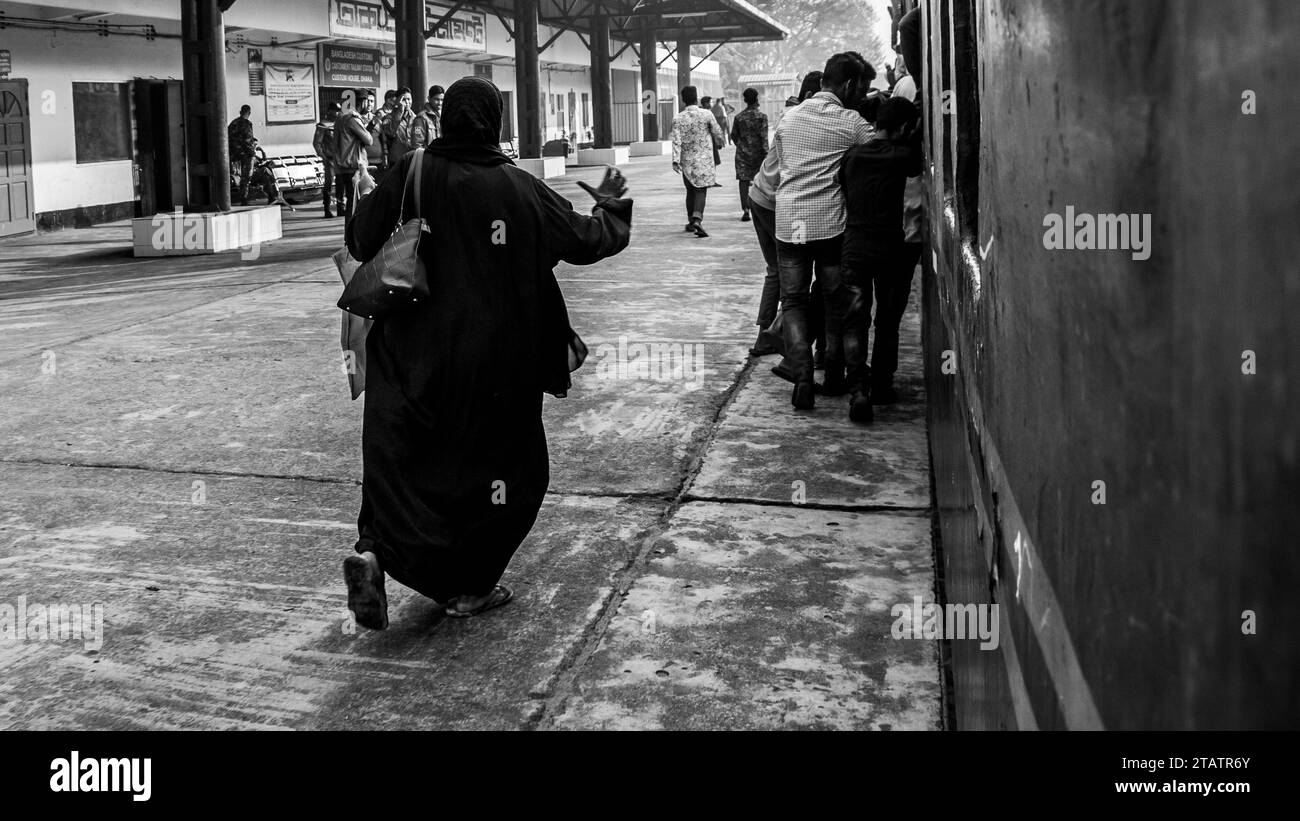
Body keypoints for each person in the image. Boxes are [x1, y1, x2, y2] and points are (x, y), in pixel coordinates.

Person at [341, 76, 633, 628]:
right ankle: (470, 588)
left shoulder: (415, 170)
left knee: (401, 465)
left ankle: (374, 553)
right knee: (508, 476)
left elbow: (360, 239)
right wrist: (613, 206)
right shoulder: (519, 188)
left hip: (409, 358)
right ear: (494, 122)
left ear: (445, 118)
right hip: (496, 367)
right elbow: (588, 240)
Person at [773, 52, 874, 409]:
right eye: (860, 87)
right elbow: (879, 150)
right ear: (847, 85)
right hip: (829, 225)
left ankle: (802, 378)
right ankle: (836, 375)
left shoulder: (788, 119)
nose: (861, 93)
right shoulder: (851, 122)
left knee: (795, 302)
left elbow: (782, 163)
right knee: (837, 303)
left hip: (789, 225)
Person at [838, 96, 923, 424]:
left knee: (854, 320)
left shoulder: (852, 157)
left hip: (856, 247)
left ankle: (858, 389)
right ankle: (883, 385)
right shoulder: (906, 158)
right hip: (894, 252)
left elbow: (845, 192)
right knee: (887, 321)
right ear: (904, 127)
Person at [670, 85, 725, 238]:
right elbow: (717, 132)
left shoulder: (678, 118)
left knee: (690, 191)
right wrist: (719, 142)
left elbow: (676, 141)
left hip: (687, 161)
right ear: (697, 98)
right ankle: (697, 219)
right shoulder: (706, 114)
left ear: (683, 100)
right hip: (704, 160)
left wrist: (675, 160)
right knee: (701, 190)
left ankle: (690, 221)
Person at [333, 88, 378, 222]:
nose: (369, 105)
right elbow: (369, 140)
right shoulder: (352, 119)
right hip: (353, 167)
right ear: (362, 102)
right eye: (367, 101)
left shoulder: (341, 117)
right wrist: (371, 125)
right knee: (355, 205)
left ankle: (350, 236)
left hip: (343, 166)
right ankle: (351, 237)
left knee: (352, 204)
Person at [730, 87, 768, 222]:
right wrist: (767, 155)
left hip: (742, 154)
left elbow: (733, 135)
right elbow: (764, 138)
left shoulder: (739, 117)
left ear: (745, 100)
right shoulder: (762, 117)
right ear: (757, 99)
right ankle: (759, 207)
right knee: (760, 181)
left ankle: (746, 209)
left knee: (743, 181)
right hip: (759, 154)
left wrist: (742, 145)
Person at [313, 102, 342, 219]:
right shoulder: (322, 125)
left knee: (341, 184)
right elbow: (317, 143)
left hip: (340, 158)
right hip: (329, 158)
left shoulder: (339, 123)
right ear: (329, 111)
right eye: (335, 110)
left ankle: (341, 207)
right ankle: (327, 209)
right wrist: (323, 156)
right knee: (328, 184)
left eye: (339, 110)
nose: (338, 113)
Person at [227, 104, 257, 206]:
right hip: (245, 155)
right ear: (249, 113)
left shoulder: (233, 123)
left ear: (240, 112)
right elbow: (248, 141)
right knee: (246, 177)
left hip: (233, 155)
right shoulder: (247, 124)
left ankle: (235, 197)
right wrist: (252, 153)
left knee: (237, 175)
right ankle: (244, 198)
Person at [382, 86, 418, 162]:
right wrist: (399, 111)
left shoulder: (416, 118)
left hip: (413, 159)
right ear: (398, 100)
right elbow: (390, 133)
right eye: (404, 99)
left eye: (409, 99)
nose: (407, 102)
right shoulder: (388, 118)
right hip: (396, 160)